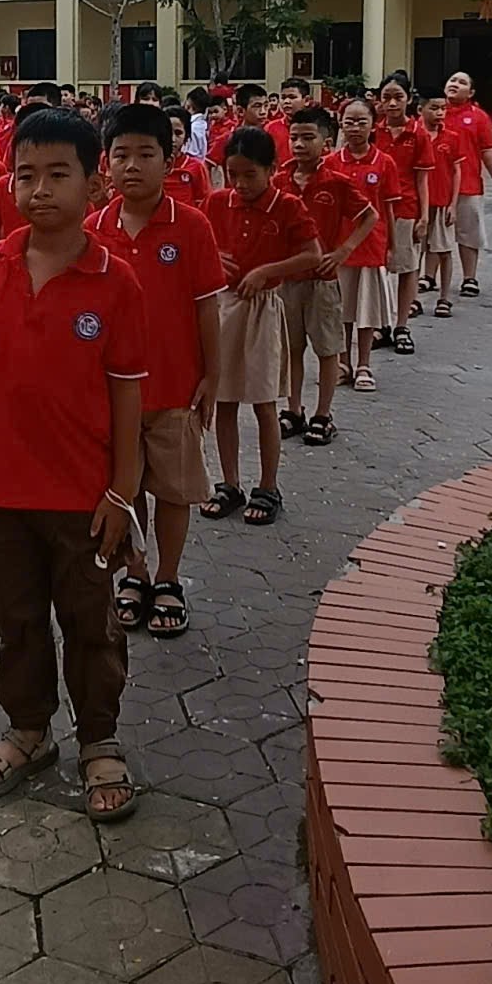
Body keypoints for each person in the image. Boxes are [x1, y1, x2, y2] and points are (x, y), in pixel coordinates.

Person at [0, 106, 147, 823]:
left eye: (58, 174)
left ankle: (99, 738)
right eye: (25, 174)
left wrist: (122, 492)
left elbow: (127, 395)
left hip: (82, 496)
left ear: (95, 186)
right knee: (18, 619)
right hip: (2, 488)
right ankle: (28, 731)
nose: (38, 190)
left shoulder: (116, 282)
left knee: (91, 624)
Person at [89, 101, 222, 638]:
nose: (132, 165)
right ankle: (136, 573)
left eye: (146, 154)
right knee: (126, 487)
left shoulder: (191, 225)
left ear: (169, 161)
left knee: (173, 489)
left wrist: (213, 375)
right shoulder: (94, 228)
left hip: (175, 388)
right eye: (121, 154)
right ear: (106, 163)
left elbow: (207, 306)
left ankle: (168, 578)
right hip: (111, 393)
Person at [201, 126, 320, 526]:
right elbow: (198, 247)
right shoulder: (217, 203)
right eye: (233, 174)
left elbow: (311, 254)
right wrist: (212, 258)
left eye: (250, 174)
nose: (241, 184)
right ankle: (229, 483)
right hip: (224, 307)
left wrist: (268, 270)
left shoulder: (287, 206)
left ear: (271, 169)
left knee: (264, 401)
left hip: (263, 307)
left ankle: (268, 486)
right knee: (224, 400)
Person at [277, 105, 373, 444]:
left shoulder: (337, 182)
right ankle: (294, 409)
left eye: (308, 138)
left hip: (322, 280)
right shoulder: (279, 181)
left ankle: (323, 414)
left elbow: (369, 216)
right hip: (287, 279)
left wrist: (344, 251)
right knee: (291, 348)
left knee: (327, 348)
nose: (299, 145)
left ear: (327, 143)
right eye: (294, 138)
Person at [333, 97, 404, 389]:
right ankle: (342, 363)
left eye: (361, 121)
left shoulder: (384, 162)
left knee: (367, 311)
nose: (355, 127)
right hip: (338, 248)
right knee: (340, 311)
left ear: (373, 124)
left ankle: (364, 364)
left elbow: (388, 209)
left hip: (371, 246)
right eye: (349, 121)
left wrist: (392, 246)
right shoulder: (331, 163)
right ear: (340, 124)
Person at [372, 76, 431, 345]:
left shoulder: (418, 133)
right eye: (386, 97)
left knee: (407, 267)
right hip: (375, 212)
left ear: (409, 98)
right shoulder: (374, 131)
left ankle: (402, 326)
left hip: (406, 209)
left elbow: (422, 179)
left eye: (398, 97)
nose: (392, 103)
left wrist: (424, 216)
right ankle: (380, 323)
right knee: (377, 270)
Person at [442, 71, 492, 297]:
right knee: (434, 235)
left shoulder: (479, 117)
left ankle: (469, 278)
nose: (455, 84)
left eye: (462, 82)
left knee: (469, 234)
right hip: (437, 185)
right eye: (452, 80)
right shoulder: (434, 112)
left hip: (468, 185)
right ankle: (428, 277)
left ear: (470, 93)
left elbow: (488, 149)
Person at [418, 91, 463, 317]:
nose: (439, 113)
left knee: (444, 251)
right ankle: (412, 299)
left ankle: (444, 298)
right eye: (434, 108)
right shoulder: (415, 136)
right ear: (421, 110)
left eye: (443, 108)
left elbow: (456, 172)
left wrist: (453, 205)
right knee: (416, 253)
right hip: (418, 205)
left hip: (442, 202)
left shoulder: (451, 137)